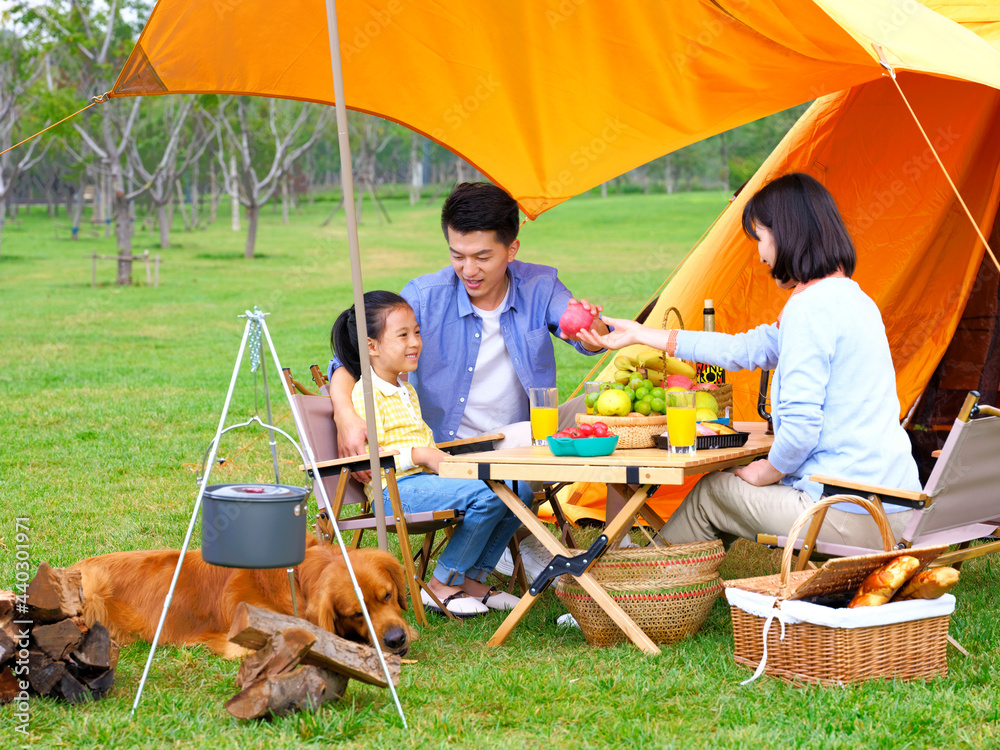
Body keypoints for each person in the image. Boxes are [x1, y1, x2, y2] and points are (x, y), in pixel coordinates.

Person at [576, 173, 919, 550]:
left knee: (713, 494)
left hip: (845, 512)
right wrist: (640, 333)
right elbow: (742, 350)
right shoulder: (853, 299)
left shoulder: (810, 310)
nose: (760, 254)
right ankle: (661, 581)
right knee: (726, 487)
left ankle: (638, 591)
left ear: (786, 234)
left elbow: (802, 427)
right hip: (895, 504)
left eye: (760, 238)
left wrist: (768, 471)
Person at [329, 181, 610, 466]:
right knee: (537, 433)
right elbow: (351, 357)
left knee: (608, 402)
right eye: (457, 256)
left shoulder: (540, 286)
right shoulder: (425, 296)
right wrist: (345, 415)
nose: (469, 270)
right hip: (452, 450)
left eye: (482, 257)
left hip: (527, 435)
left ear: (511, 250)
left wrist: (590, 327)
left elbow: (592, 338)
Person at [331, 290, 529, 617]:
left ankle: (470, 579)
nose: (415, 342)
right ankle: (441, 583)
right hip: (394, 492)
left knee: (518, 488)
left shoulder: (405, 389)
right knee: (492, 495)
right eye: (403, 335)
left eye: (417, 332)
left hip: (425, 483)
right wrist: (420, 455)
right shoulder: (365, 394)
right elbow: (367, 460)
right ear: (372, 347)